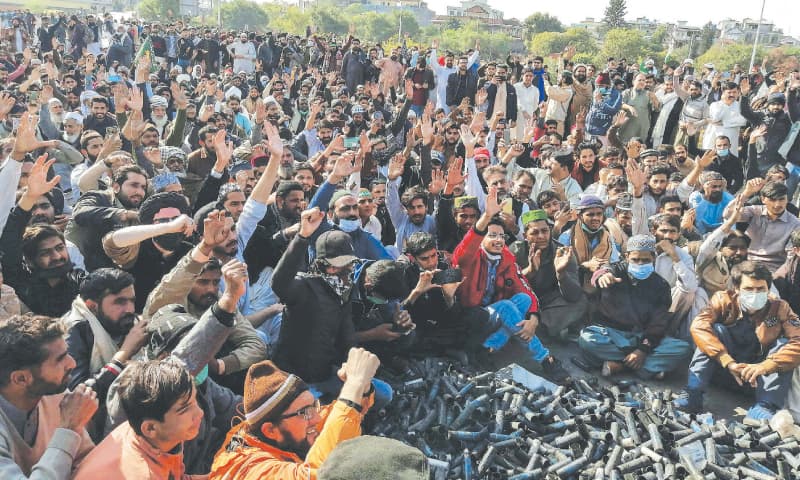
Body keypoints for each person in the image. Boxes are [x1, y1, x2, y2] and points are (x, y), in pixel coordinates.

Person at [452, 187, 570, 383]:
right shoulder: (470, 257)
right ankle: (546, 359)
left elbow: (523, 287)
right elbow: (465, 250)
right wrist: (487, 216)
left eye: (501, 236)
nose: (498, 240)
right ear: (482, 239)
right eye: (492, 235)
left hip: (493, 314)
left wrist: (533, 318)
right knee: (507, 307)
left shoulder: (505, 257)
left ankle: (487, 348)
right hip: (470, 315)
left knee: (522, 300)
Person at [210, 348, 380, 479]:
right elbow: (319, 474)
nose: (317, 417)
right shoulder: (247, 469)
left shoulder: (269, 427)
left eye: (313, 405)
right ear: (270, 430)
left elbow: (332, 420)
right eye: (305, 412)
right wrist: (354, 385)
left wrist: (362, 390)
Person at [679, 261, 800, 421]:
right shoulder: (723, 300)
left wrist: (765, 366)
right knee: (713, 331)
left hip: (756, 378)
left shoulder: (780, 308)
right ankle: (693, 394)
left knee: (783, 345)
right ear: (737, 288)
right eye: (749, 289)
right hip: (724, 370)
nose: (755, 294)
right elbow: (699, 326)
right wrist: (727, 361)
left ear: (768, 289)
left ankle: (765, 406)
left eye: (760, 289)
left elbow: (798, 340)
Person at [577, 234, 692, 378]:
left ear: (653, 258)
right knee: (587, 340)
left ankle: (620, 366)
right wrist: (602, 276)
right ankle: (645, 367)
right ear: (626, 257)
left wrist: (642, 350)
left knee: (682, 349)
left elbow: (658, 323)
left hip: (639, 336)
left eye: (645, 260)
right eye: (635, 259)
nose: (640, 264)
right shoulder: (616, 270)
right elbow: (603, 271)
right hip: (610, 334)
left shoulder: (661, 285)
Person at [0, 314, 97, 479]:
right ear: (21, 378)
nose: (72, 363)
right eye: (60, 359)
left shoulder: (54, 394)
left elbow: (84, 460)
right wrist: (69, 429)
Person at [510, 209, 587, 338]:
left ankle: (537, 328)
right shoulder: (515, 251)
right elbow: (508, 286)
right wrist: (530, 271)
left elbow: (574, 296)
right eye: (534, 232)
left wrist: (561, 274)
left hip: (550, 303)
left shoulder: (562, 252)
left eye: (545, 231)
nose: (541, 236)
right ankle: (544, 329)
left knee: (581, 301)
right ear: (525, 236)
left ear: (550, 230)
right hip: (525, 301)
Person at [724, 180, 800, 272]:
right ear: (763, 199)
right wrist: (746, 193)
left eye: (781, 199)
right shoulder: (754, 212)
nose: (777, 204)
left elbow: (791, 256)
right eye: (772, 200)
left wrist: (777, 277)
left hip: (773, 269)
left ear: (787, 199)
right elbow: (728, 214)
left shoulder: (795, 224)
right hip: (744, 263)